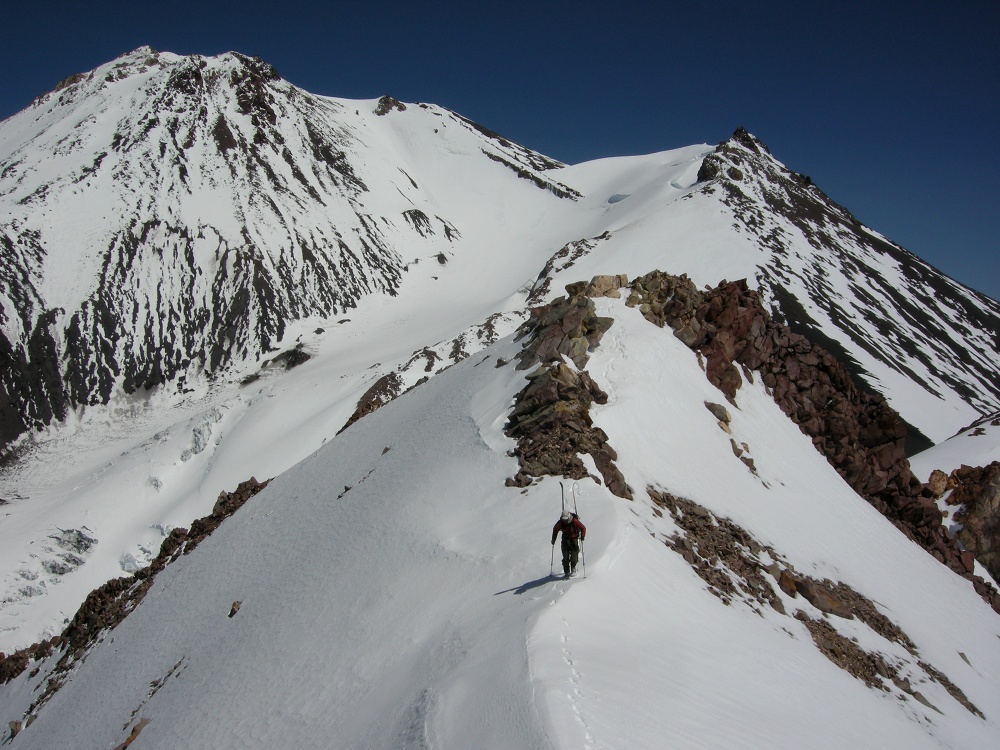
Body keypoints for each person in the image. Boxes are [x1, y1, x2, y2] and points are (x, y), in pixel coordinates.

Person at [551, 511, 586, 579]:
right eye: (563, 519)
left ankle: (573, 568)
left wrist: (582, 536)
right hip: (565, 540)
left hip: (574, 539)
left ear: (569, 517)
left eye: (565, 519)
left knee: (574, 557)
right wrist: (553, 540)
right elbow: (555, 530)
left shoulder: (574, 521)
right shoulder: (560, 522)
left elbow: (583, 528)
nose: (564, 521)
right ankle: (566, 572)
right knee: (565, 557)